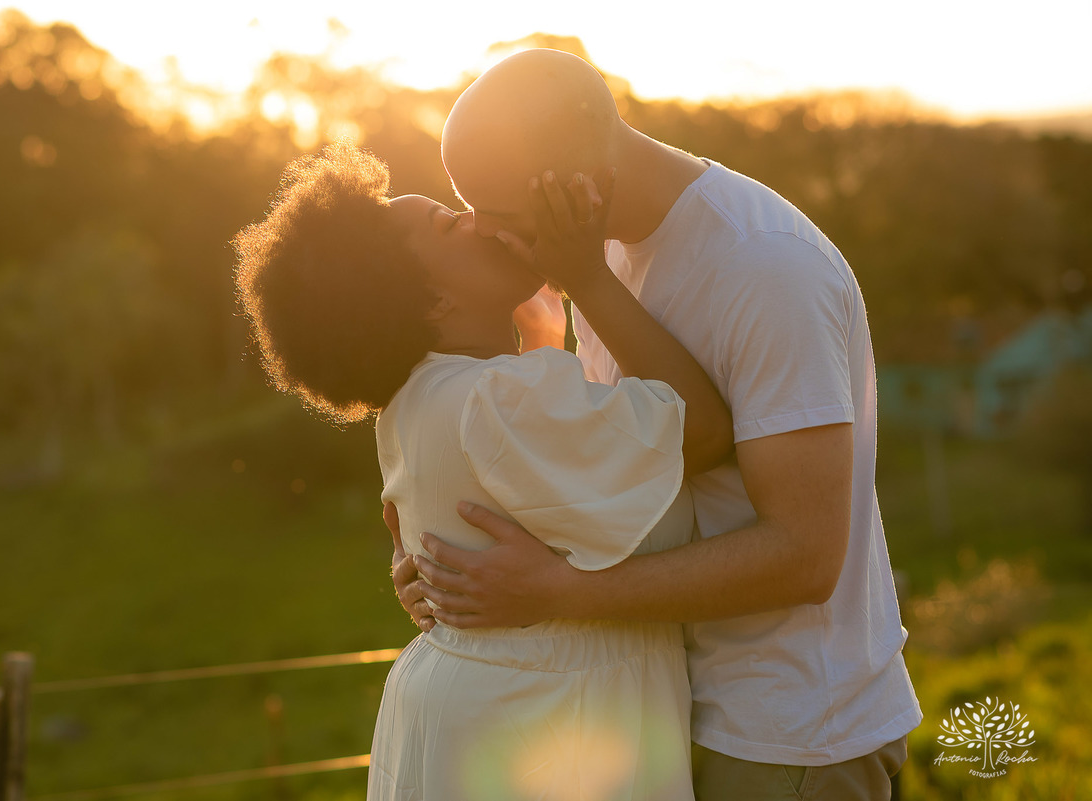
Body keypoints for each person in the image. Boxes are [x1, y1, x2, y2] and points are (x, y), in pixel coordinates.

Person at [390, 48, 923, 800]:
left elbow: (805, 554)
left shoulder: (765, 269)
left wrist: (555, 592)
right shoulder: (589, 248)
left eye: (501, 215)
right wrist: (443, 565)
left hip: (784, 730)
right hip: (670, 706)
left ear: (577, 179)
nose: (485, 235)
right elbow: (606, 460)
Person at [232, 143, 734, 799]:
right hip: (544, 728)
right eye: (448, 222)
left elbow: (531, 478)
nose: (474, 217)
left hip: (477, 707)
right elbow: (703, 429)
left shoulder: (422, 398)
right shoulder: (496, 401)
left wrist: (544, 347)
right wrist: (587, 278)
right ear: (436, 302)